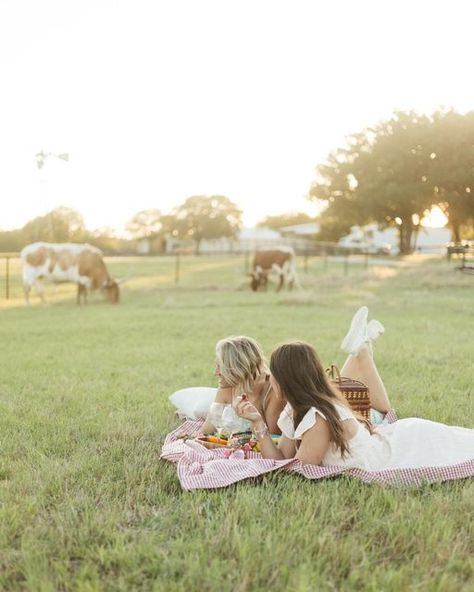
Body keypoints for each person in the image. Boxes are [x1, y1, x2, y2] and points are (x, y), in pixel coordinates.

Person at [236, 307, 474, 469]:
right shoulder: (293, 410)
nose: (270, 378)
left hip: (406, 447)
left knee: (464, 446)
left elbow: (297, 470)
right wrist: (258, 423)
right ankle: (361, 349)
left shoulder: (318, 418)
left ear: (287, 380)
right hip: (393, 438)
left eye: (274, 374)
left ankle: (361, 349)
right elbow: (281, 459)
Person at [196, 336, 286, 435]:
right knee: (198, 409)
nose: (215, 373)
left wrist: (254, 398)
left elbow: (271, 438)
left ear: (238, 368)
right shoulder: (228, 386)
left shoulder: (274, 390)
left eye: (220, 367)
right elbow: (206, 431)